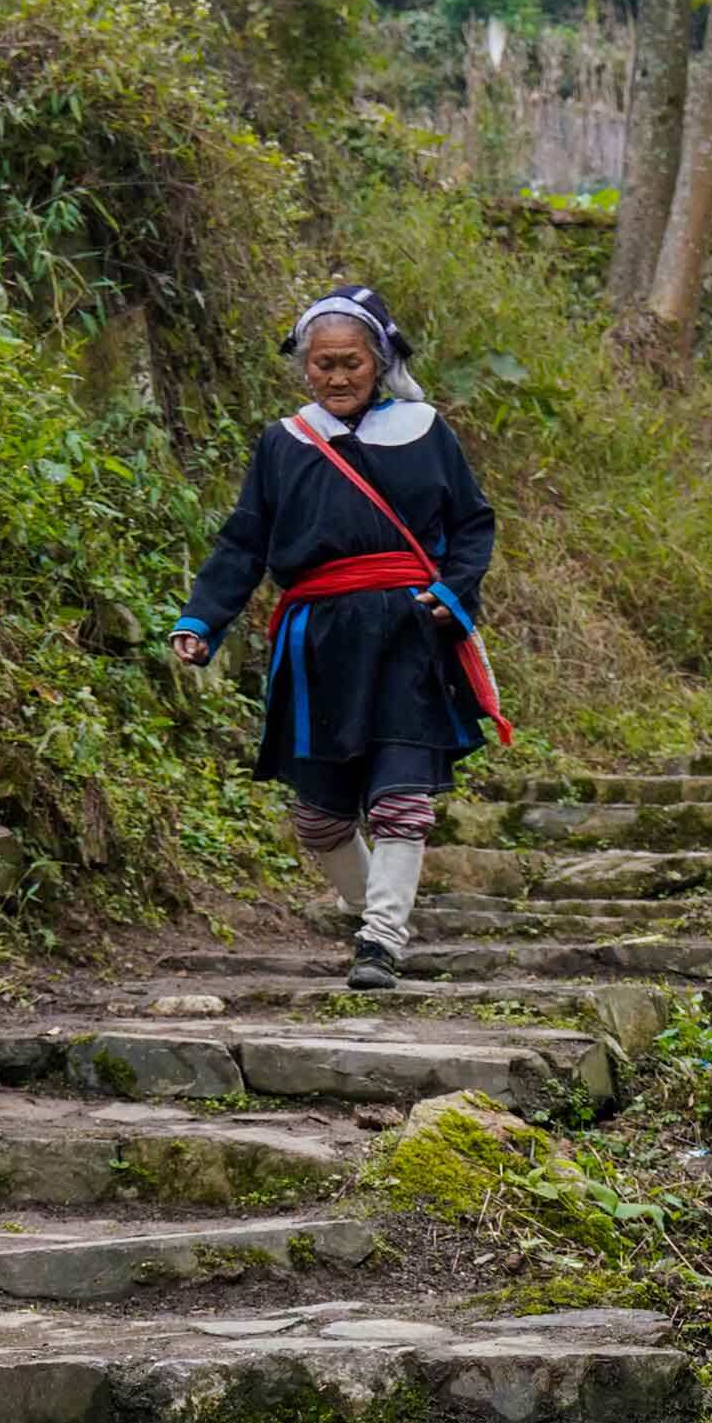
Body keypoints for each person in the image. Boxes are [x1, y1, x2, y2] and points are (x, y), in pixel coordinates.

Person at [169, 282, 506, 991]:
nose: (337, 376)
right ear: (305, 366)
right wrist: (203, 618)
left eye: (350, 361)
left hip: (406, 632)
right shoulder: (284, 444)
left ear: (378, 360)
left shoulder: (425, 431)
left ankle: (382, 940)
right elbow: (244, 542)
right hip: (316, 641)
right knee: (318, 819)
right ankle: (375, 917)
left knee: (399, 799)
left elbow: (472, 525)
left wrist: (453, 591)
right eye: (322, 363)